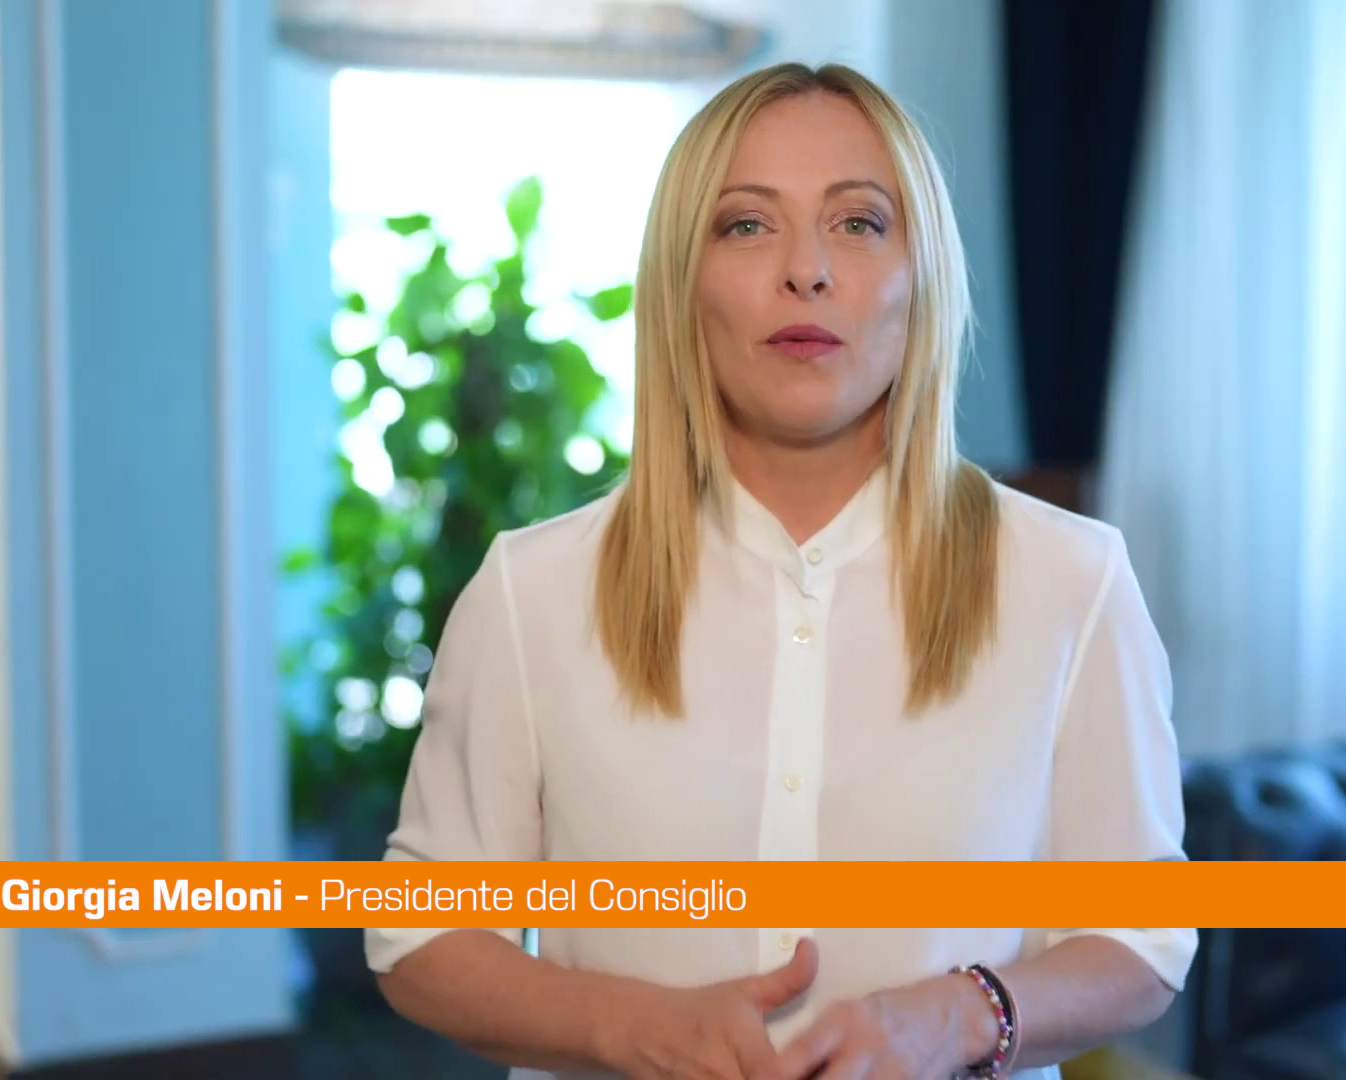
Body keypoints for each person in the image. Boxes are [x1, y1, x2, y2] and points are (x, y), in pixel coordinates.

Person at [365, 61, 1195, 1080]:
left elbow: (1143, 937)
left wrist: (957, 1016)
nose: (806, 271)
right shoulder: (530, 592)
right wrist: (629, 1026)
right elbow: (422, 936)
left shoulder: (1073, 580)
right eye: (748, 225)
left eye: (859, 223)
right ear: (682, 281)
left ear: (923, 277)